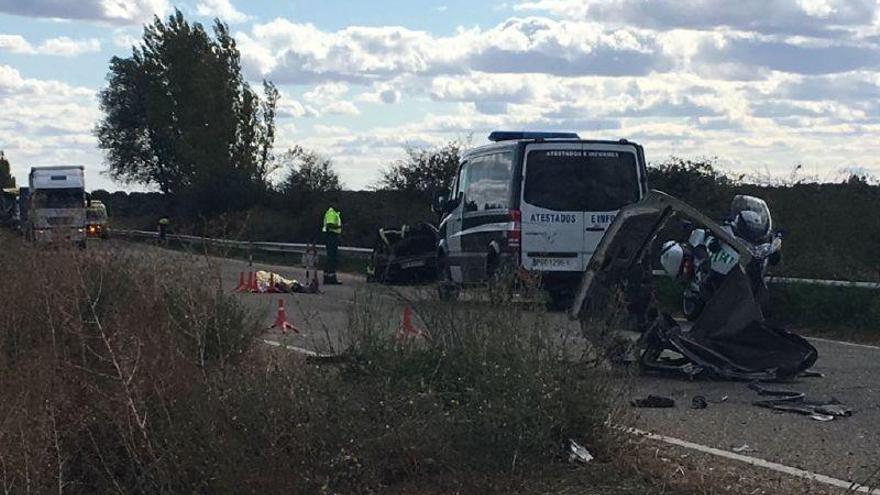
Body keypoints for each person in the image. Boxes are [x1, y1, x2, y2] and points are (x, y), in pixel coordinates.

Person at [322, 205, 342, 285]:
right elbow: (330, 225)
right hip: (331, 236)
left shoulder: (334, 213)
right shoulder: (331, 213)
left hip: (331, 236)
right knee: (332, 258)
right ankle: (331, 278)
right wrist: (340, 226)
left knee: (331, 257)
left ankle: (328, 277)